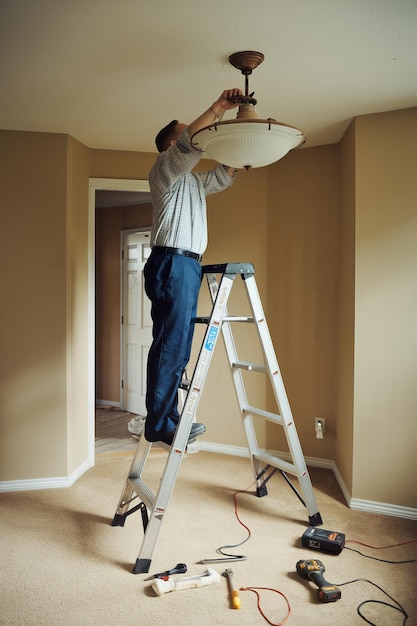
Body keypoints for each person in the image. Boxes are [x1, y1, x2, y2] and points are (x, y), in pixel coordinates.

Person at [138, 88, 243, 446]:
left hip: (186, 266)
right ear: (171, 144)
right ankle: (159, 424)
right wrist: (218, 109)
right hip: (172, 262)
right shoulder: (164, 171)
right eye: (185, 134)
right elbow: (190, 145)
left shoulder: (193, 183)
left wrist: (241, 153)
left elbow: (222, 175)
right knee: (171, 345)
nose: (194, 138)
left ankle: (167, 417)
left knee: (178, 345)